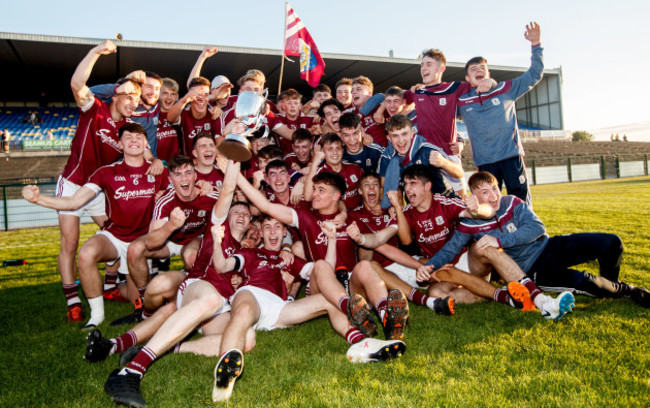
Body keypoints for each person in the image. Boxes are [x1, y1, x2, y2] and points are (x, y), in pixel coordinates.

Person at [102, 160, 244, 407]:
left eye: (247, 216)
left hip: (222, 306)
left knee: (247, 338)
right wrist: (235, 156)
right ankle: (131, 372)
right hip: (200, 286)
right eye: (236, 213)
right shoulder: (219, 229)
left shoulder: (252, 250)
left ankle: (170, 346)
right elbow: (229, 190)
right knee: (208, 300)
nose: (241, 217)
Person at [425, 171, 650, 311]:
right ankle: (628, 291)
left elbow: (536, 228)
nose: (493, 195)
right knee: (583, 281)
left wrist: (499, 240)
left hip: (550, 246)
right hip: (532, 270)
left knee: (611, 242)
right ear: (473, 196)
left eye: (494, 188)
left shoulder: (511, 202)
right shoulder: (469, 224)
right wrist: (426, 267)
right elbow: (449, 250)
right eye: (485, 192)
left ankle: (611, 287)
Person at [22, 123, 168, 329]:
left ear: (146, 143)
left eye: (138, 137)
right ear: (119, 143)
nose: (134, 140)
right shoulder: (106, 172)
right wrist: (38, 199)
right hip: (114, 236)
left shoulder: (159, 172)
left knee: (142, 304)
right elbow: (73, 202)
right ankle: (96, 316)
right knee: (86, 254)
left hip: (141, 241)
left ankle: (129, 293)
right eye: (128, 137)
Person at [52, 40, 142, 323]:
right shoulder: (95, 109)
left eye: (137, 99)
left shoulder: (126, 130)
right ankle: (73, 303)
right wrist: (95, 52)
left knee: (119, 235)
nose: (133, 102)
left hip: (99, 192)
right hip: (73, 184)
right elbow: (77, 83)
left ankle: (110, 286)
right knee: (70, 244)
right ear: (116, 95)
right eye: (129, 96)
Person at [458, 22, 544, 205]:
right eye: (473, 69)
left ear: (488, 72)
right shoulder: (462, 101)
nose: (478, 70)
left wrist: (536, 45)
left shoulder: (505, 89)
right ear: (467, 79)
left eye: (482, 67)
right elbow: (438, 111)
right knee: (489, 205)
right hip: (485, 162)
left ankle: (529, 233)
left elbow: (534, 75)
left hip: (511, 157)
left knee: (520, 203)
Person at [379, 115, 462, 209]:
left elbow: (459, 173)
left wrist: (444, 162)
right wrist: (393, 207)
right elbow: (387, 188)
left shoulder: (426, 150)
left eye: (404, 134)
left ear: (412, 133)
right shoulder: (387, 158)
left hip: (444, 204)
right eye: (395, 136)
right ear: (389, 138)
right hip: (418, 210)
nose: (401, 140)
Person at [305, 133, 363, 209]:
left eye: (338, 148)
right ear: (323, 151)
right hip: (333, 218)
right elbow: (308, 197)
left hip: (357, 214)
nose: (335, 152)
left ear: (342, 150)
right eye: (330, 149)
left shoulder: (355, 168)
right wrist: (314, 165)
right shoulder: (319, 172)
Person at [167, 76, 219, 156]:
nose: (201, 99)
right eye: (198, 95)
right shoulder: (184, 113)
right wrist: (184, 100)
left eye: (205, 95)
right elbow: (170, 118)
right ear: (190, 96)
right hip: (189, 165)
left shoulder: (214, 114)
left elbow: (220, 145)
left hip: (209, 164)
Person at [156, 78, 181, 161]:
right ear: (158, 94)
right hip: (156, 165)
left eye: (173, 94)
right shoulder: (152, 114)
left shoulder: (180, 114)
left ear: (177, 97)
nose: (169, 97)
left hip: (175, 165)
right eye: (165, 93)